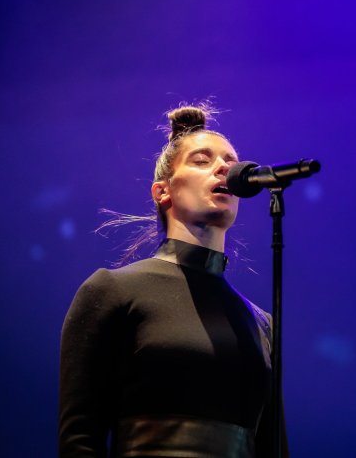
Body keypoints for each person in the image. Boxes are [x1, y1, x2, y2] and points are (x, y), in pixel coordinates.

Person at [59, 104, 288, 457]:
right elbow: (80, 440)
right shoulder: (112, 291)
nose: (224, 167)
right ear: (162, 192)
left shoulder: (260, 323)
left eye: (230, 160)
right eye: (201, 160)